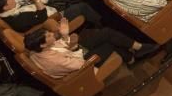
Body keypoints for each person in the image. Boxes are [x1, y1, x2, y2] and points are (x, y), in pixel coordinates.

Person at [24, 19, 158, 77]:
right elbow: (80, 65)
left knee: (106, 32)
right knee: (109, 43)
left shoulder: (39, 49)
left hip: (74, 52)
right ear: (42, 44)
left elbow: (62, 47)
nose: (53, 34)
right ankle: (134, 54)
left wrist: (65, 37)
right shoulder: (52, 60)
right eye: (49, 36)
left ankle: (135, 52)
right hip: (83, 69)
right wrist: (74, 46)